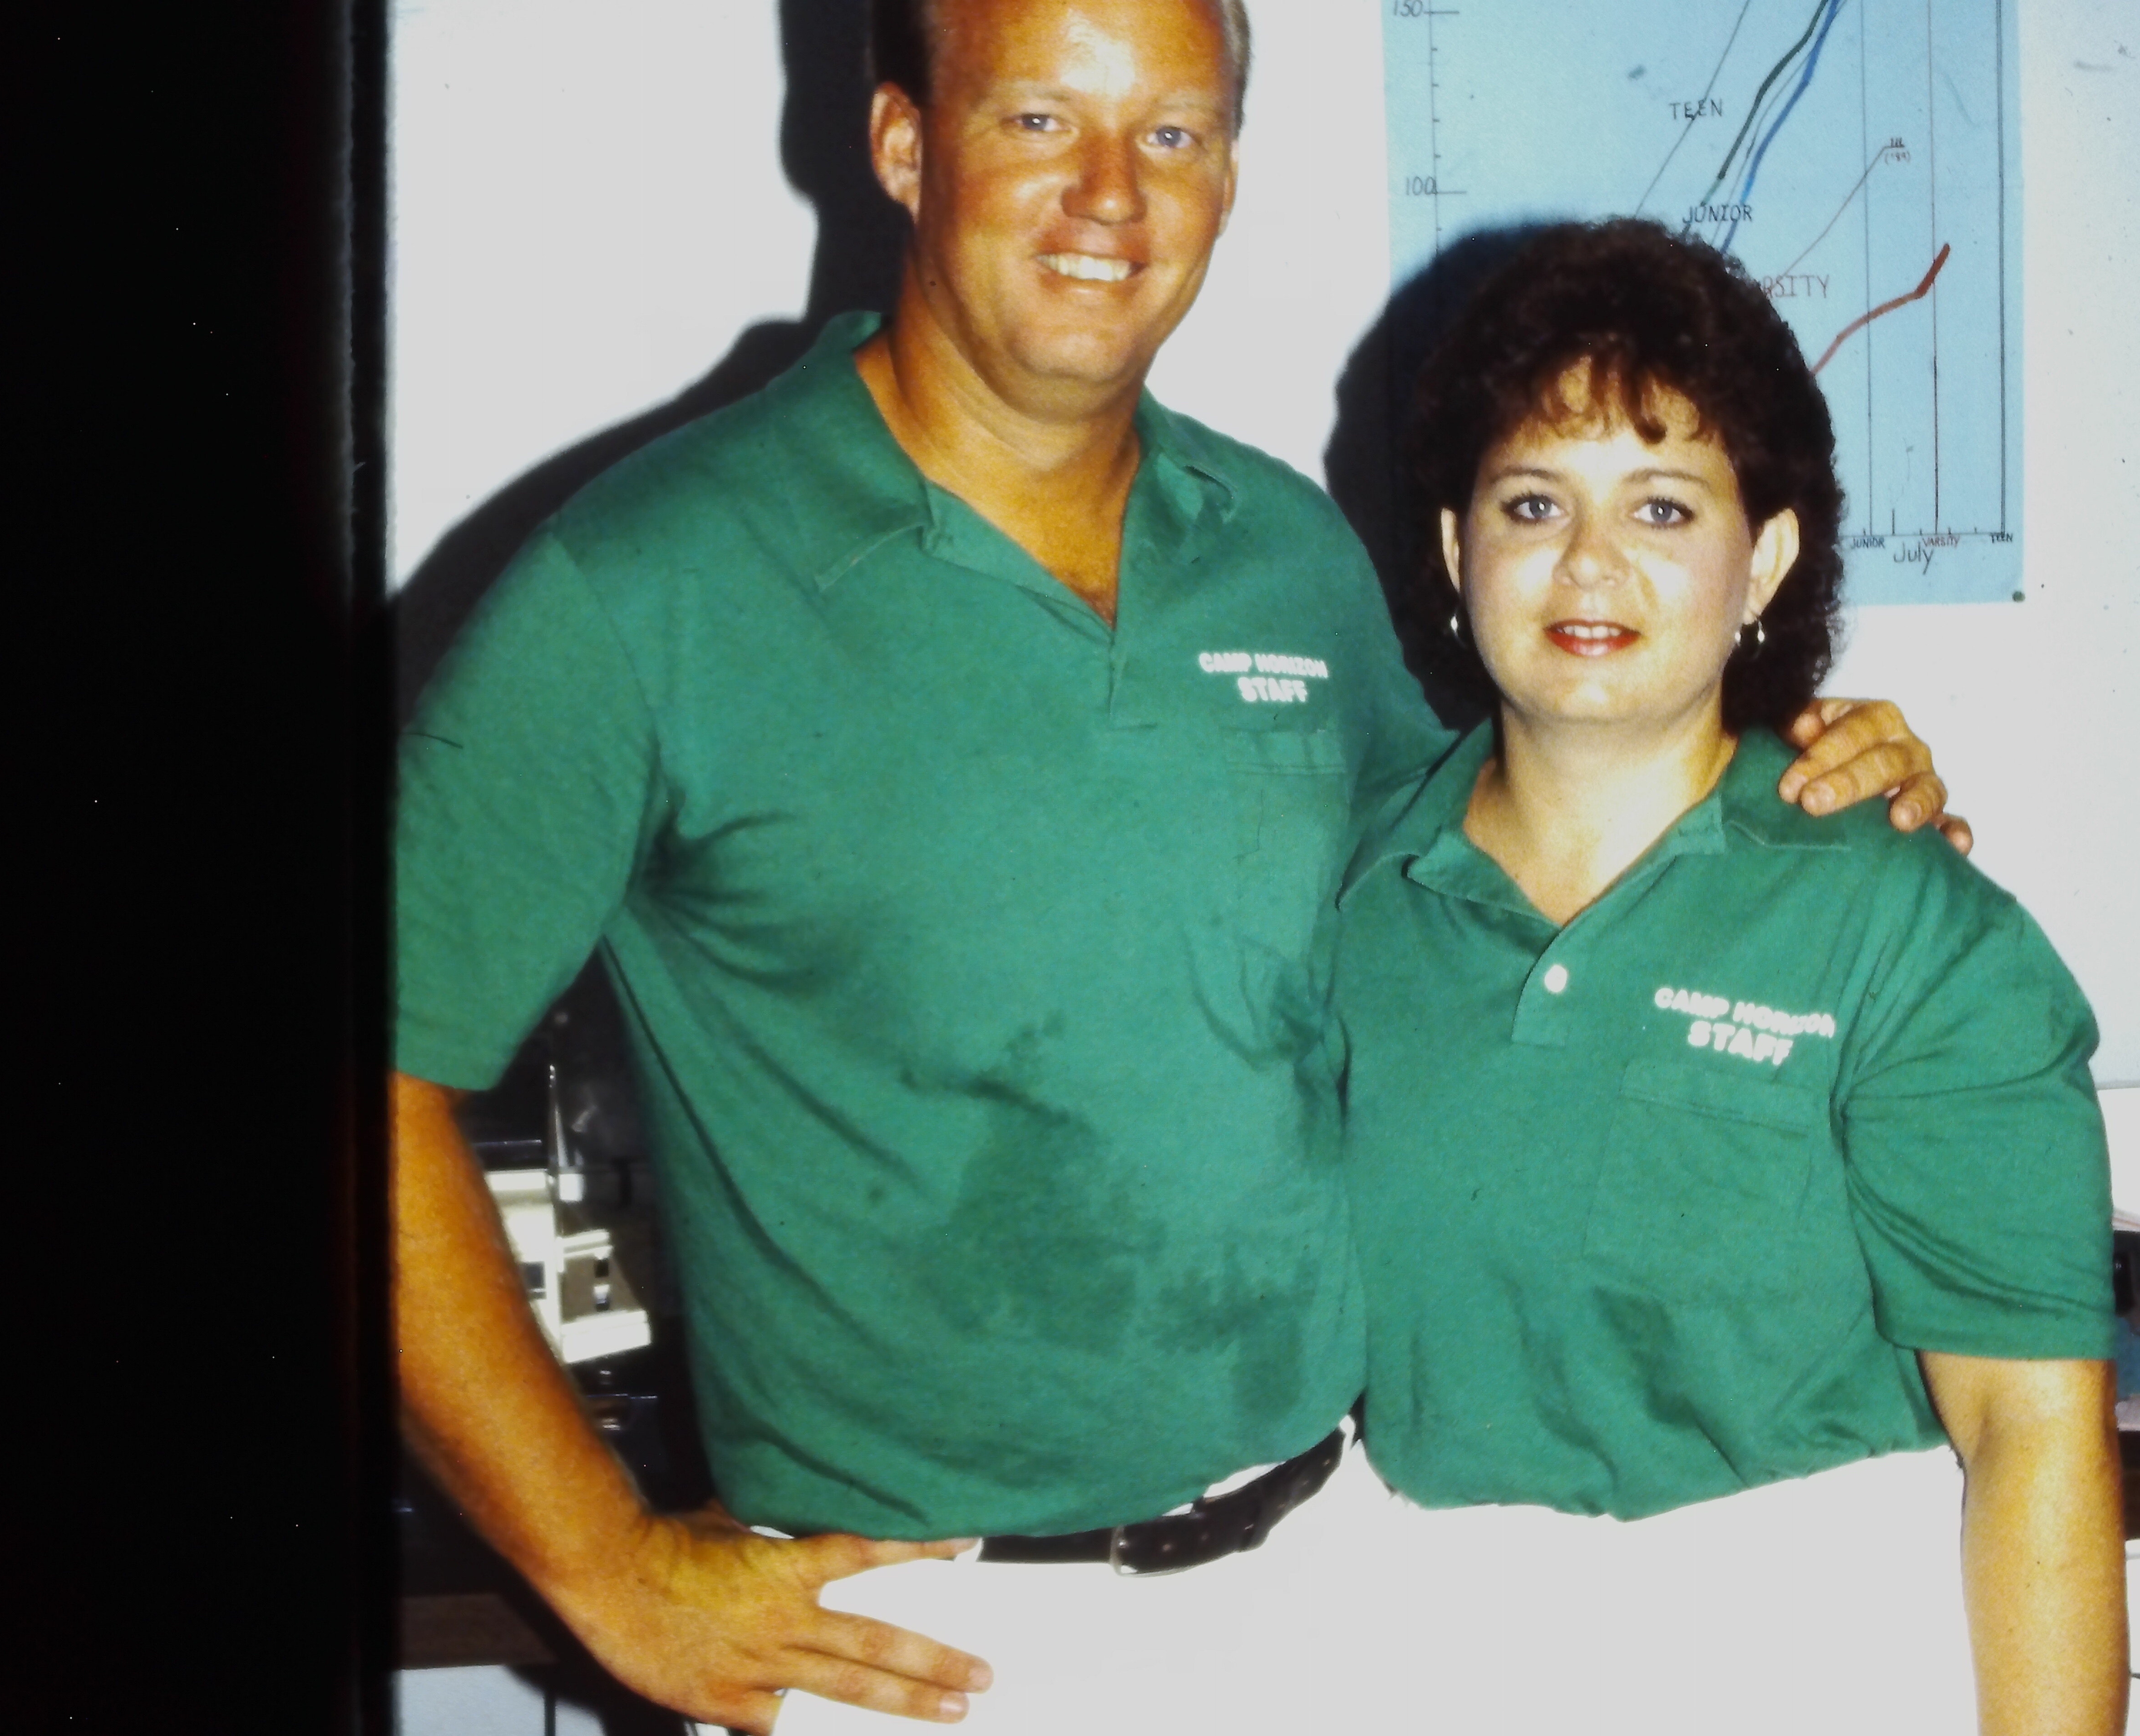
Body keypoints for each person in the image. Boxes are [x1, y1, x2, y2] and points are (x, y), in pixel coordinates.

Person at [390, 5, 1953, 1729]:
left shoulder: (1280, 548)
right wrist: (604, 1569)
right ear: (905, 144)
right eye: (1039, 120)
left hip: (1326, 1575)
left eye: (1174, 134)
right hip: (913, 1648)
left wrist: (1795, 786)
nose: (1111, 198)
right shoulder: (648, 584)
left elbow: (1497, 867)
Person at [1331, 218, 2122, 1735]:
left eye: (1664, 507)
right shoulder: (1349, 898)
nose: (1589, 562)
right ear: (1452, 548)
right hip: (1416, 1649)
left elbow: (2034, 1437)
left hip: (1811, 1659)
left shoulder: (1914, 932)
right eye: (1533, 502)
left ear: (1763, 557)